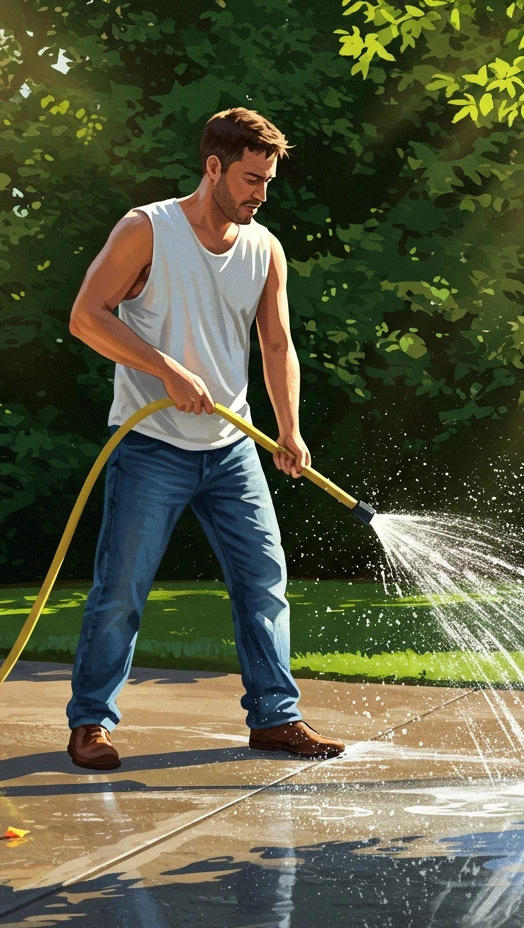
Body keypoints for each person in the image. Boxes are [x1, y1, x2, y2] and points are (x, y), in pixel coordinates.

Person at [65, 107, 346, 770]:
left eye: (268, 181)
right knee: (121, 590)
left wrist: (289, 429)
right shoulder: (149, 231)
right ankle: (90, 725)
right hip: (151, 445)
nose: (260, 192)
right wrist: (164, 367)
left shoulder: (263, 248)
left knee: (263, 582)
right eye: (250, 178)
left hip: (231, 450)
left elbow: (276, 344)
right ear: (214, 166)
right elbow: (84, 317)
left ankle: (276, 719)